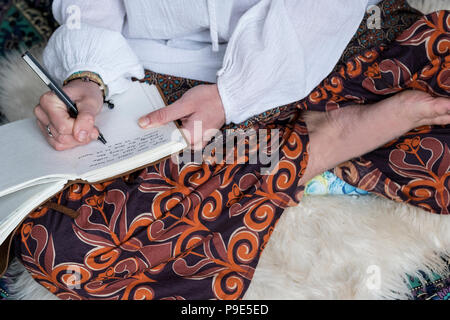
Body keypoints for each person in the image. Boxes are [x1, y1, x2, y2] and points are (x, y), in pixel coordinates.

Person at [11, 0, 450, 299]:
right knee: (65, 248)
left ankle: (285, 158)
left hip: (336, 44)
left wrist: (234, 94)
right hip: (170, 78)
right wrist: (88, 76)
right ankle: (321, 148)